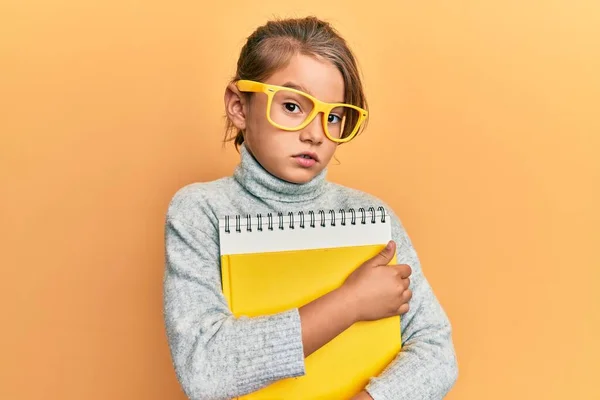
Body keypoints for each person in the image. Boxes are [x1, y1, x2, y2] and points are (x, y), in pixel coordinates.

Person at [163, 16, 458, 400]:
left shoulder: (370, 216)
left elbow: (438, 353)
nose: (315, 134)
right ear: (238, 106)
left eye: (333, 116)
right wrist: (350, 302)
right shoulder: (201, 211)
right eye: (291, 106)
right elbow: (204, 369)